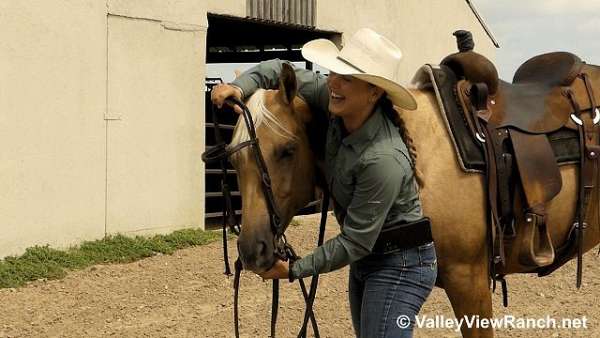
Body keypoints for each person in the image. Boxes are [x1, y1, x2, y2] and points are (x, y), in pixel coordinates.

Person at [211, 28, 437, 338]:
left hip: (400, 264)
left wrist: (293, 269)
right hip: (369, 259)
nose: (333, 83)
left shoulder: (383, 158)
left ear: (374, 93)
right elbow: (279, 69)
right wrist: (238, 86)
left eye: (347, 78)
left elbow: (356, 241)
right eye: (333, 73)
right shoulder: (333, 99)